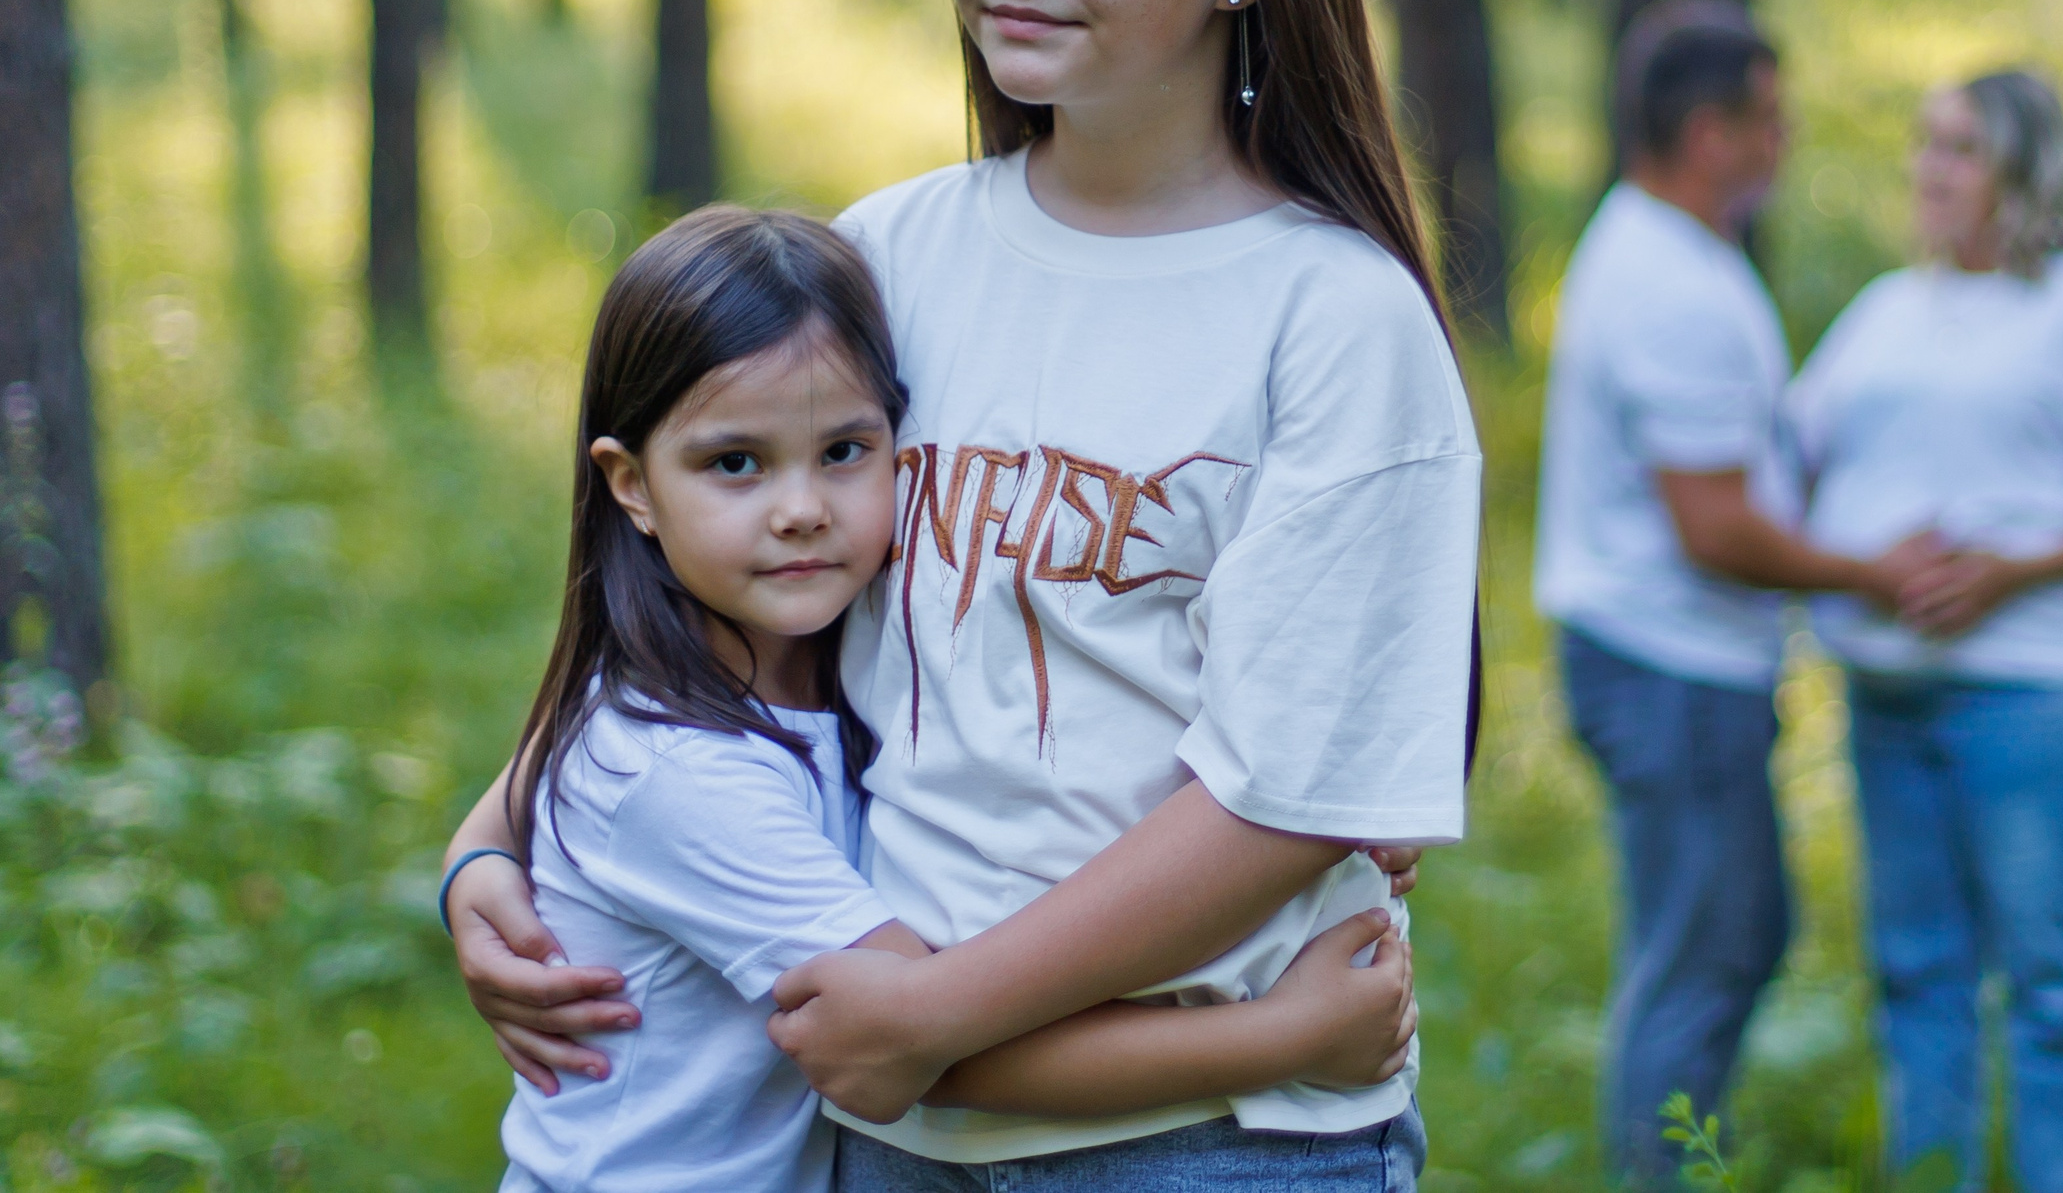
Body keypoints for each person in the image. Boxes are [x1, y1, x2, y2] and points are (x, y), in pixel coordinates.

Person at [443, 0, 1481, 1188]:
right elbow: (704, 589)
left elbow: (1275, 801)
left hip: (1204, 1140)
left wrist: (931, 1011)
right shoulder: (896, 254)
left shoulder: (1330, 318)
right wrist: (488, 839)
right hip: (884, 1131)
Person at [481, 204, 1417, 1192]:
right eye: (734, 464)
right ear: (629, 486)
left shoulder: (833, 652)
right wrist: (1280, 1038)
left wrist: (1333, 788)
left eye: (845, 450)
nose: (801, 510)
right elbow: (917, 1050)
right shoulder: (683, 774)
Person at [1533, 0, 1943, 1184]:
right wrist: (1872, 569)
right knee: (1701, 955)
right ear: (1709, 132)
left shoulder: (1664, 252)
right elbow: (1712, 527)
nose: (1787, 139)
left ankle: (1672, 1152)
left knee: (1733, 934)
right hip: (1669, 667)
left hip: (1673, 662)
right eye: (1769, 118)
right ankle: (1660, 1169)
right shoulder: (1673, 288)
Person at [1784, 70, 2063, 1193]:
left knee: (2053, 979)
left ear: (2023, 167)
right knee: (1916, 971)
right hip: (1887, 693)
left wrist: (2011, 570)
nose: (1929, 168)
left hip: (2031, 697)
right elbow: (1789, 448)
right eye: (1924, 143)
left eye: (1959, 148)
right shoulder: (1885, 308)